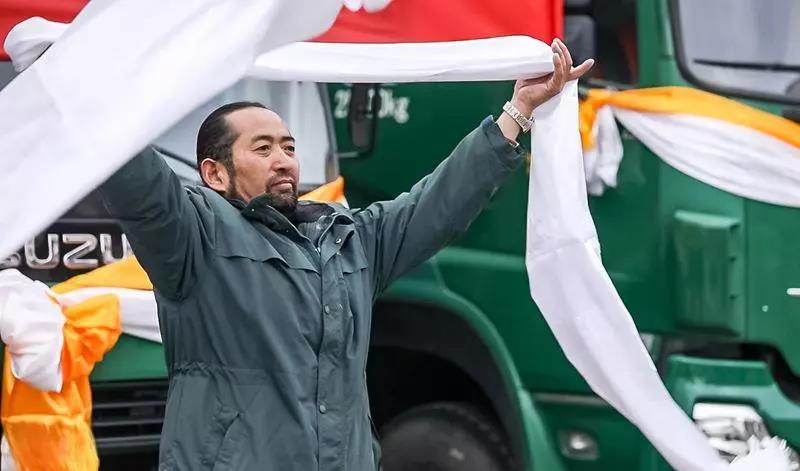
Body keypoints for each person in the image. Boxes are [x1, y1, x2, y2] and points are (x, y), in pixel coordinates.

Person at [100, 39, 592, 470]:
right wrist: (88, 83)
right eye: (263, 149)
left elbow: (438, 202)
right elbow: (137, 181)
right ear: (214, 174)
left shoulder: (349, 239)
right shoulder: (192, 235)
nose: (283, 160)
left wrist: (517, 111)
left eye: (289, 147)